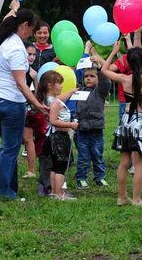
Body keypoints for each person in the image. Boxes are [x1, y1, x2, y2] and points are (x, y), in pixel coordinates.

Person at [0, 8, 47, 199]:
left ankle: (10, 187)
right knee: (10, 149)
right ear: (25, 26)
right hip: (10, 103)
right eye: (32, 30)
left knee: (9, 146)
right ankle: (3, 193)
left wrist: (13, 8)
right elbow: (21, 83)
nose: (32, 34)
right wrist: (37, 103)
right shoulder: (17, 48)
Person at [102, 43, 142, 206]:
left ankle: (121, 197)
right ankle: (137, 199)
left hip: (126, 120)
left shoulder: (124, 79)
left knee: (124, 162)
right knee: (139, 162)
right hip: (141, 121)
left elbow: (104, 70)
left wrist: (113, 52)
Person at [40, 71, 78, 200]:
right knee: (60, 167)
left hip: (53, 137)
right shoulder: (55, 103)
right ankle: (60, 194)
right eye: (60, 83)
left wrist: (72, 92)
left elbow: (62, 98)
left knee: (54, 167)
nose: (62, 86)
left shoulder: (50, 99)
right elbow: (53, 121)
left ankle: (54, 193)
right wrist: (71, 125)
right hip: (60, 138)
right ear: (50, 85)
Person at [74, 57, 111, 189]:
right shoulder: (79, 91)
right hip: (82, 130)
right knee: (83, 156)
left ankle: (99, 177)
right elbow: (77, 108)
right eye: (86, 76)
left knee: (97, 155)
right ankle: (81, 177)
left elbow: (105, 82)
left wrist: (100, 68)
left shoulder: (100, 91)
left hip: (96, 129)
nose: (88, 78)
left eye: (92, 76)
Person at [21, 42, 40, 180]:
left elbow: (37, 94)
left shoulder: (33, 73)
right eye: (29, 54)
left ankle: (31, 169)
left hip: (26, 106)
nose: (31, 57)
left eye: (34, 54)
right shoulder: (14, 69)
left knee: (28, 138)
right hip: (12, 105)